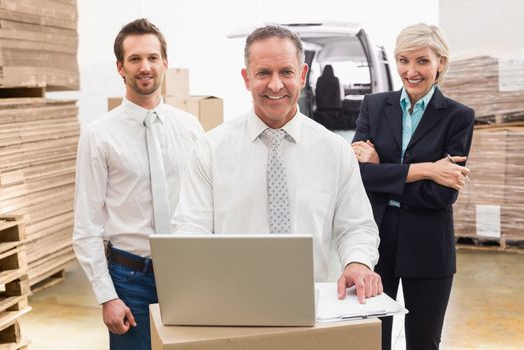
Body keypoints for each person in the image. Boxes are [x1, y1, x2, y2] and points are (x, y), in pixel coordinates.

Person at [171, 25, 382, 303]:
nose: (275, 85)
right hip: (233, 303)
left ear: (302, 75)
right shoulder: (210, 150)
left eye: (286, 72)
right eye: (263, 73)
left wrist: (357, 262)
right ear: (247, 78)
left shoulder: (334, 151)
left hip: (313, 305)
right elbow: (190, 228)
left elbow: (356, 225)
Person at [73, 19, 203, 350]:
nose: (144, 67)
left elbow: (206, 202)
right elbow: (86, 226)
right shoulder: (98, 135)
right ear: (120, 67)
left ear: (165, 64)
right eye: (134, 59)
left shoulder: (190, 128)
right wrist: (107, 296)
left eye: (152, 58)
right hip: (131, 280)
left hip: (188, 273)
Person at [351, 23, 475, 350]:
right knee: (370, 341)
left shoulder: (458, 117)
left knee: (423, 343)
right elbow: (359, 177)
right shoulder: (374, 107)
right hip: (376, 243)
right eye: (403, 60)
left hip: (430, 246)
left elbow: (442, 193)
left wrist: (383, 171)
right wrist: (427, 170)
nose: (411, 70)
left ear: (440, 64)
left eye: (422, 61)